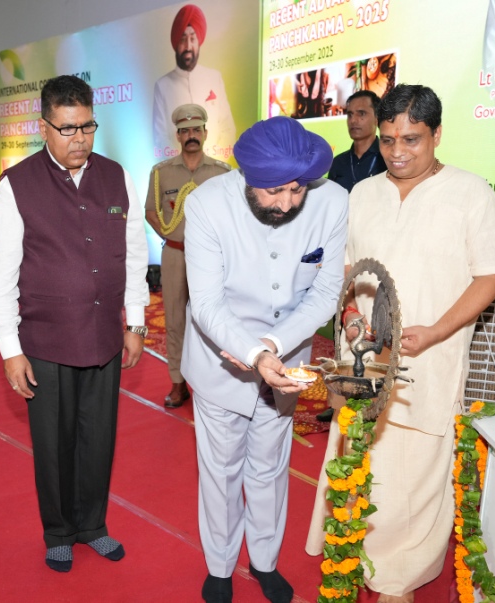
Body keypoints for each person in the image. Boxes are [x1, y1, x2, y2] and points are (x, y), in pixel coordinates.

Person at [303, 84, 495, 603]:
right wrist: (350, 315)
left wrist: (438, 331)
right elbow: (347, 268)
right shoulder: (363, 193)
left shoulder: (469, 192)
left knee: (419, 468)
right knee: (361, 452)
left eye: (411, 139)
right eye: (388, 140)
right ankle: (354, 550)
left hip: (432, 354)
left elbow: (492, 276)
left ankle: (399, 579)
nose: (397, 152)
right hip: (363, 355)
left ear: (437, 134)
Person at [0, 75, 148, 573]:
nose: (80, 139)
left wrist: (136, 322)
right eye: (67, 129)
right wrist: (10, 349)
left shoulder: (117, 176)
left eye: (88, 127)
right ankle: (58, 531)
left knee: (99, 439)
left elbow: (134, 254)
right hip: (45, 341)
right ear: (43, 127)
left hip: (104, 336)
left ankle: (92, 525)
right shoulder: (17, 185)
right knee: (55, 445)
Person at [184, 116, 346, 603]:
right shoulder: (207, 204)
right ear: (247, 177)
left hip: (287, 357)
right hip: (221, 358)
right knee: (221, 469)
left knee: (271, 466)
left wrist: (273, 346)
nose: (288, 203)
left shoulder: (333, 201)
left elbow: (325, 294)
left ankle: (265, 561)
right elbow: (206, 303)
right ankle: (219, 566)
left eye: (297, 190)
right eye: (275, 191)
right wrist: (253, 352)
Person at [144, 103, 230, 408]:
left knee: (213, 320)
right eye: (185, 131)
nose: (191, 135)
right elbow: (151, 211)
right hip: (175, 255)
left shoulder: (222, 173)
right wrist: (170, 236)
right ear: (178, 136)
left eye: (196, 129)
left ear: (205, 133)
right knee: (175, 320)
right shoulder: (161, 172)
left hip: (211, 259)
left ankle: (213, 384)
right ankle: (178, 384)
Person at [153, 4, 236, 161]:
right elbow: (160, 139)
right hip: (176, 170)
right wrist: (183, 166)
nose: (188, 46)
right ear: (176, 43)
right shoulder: (162, 85)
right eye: (183, 39)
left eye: (192, 38)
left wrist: (212, 165)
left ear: (199, 42)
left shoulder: (214, 78)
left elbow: (227, 128)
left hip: (215, 169)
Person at [326, 91, 387, 193]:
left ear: (377, 118)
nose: (353, 120)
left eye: (361, 114)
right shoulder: (338, 162)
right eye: (350, 115)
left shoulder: (387, 159)